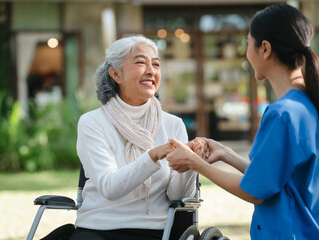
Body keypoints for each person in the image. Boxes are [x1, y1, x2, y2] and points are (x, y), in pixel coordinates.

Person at [166, 3, 319, 239]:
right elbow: (274, 181)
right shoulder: (306, 106)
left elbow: (256, 192)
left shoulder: (283, 114)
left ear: (265, 49)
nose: (246, 53)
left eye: (248, 43)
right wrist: (226, 154)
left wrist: (196, 164)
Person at [69, 35, 197, 240]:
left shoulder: (173, 124)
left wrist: (191, 162)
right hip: (98, 229)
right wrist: (153, 155)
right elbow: (110, 187)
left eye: (156, 64)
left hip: (156, 231)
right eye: (140, 62)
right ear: (116, 74)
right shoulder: (92, 122)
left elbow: (178, 196)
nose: (151, 71)